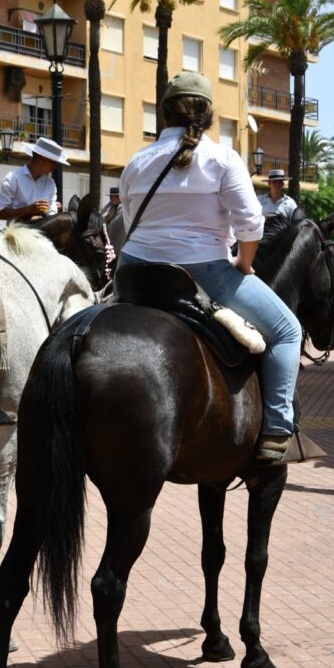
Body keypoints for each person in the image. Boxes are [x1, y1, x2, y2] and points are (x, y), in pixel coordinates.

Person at [118, 71, 302, 462]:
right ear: (207, 115)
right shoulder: (222, 158)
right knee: (288, 330)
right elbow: (251, 223)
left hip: (134, 273)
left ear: (165, 114)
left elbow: (129, 219)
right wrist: (244, 262)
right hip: (200, 272)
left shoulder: (136, 161)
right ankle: (275, 430)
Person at [0, 136, 68, 221]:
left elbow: (51, 214)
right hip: (17, 232)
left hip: (43, 232)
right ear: (41, 159)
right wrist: (28, 210)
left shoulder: (50, 183)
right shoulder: (13, 178)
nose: (55, 166)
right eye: (53, 162)